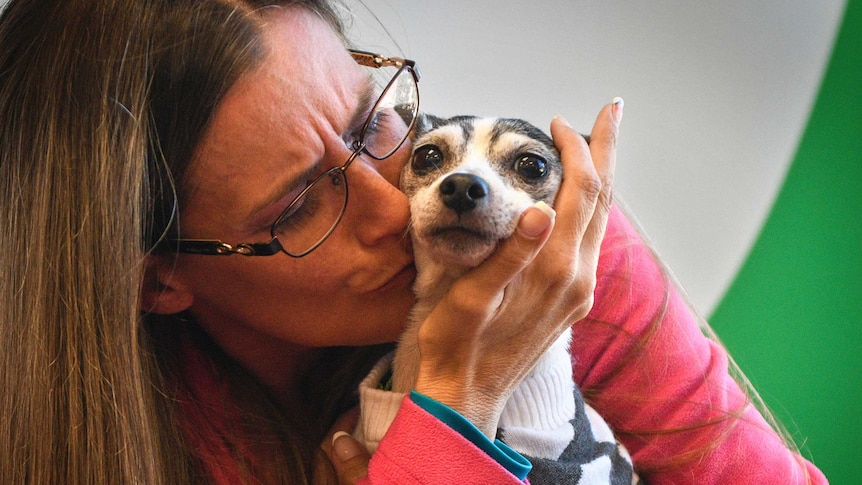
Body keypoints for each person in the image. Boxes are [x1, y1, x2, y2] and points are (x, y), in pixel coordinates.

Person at [0, 0, 827, 484]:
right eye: (295, 206)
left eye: (377, 123)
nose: (396, 207)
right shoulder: (85, 433)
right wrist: (457, 399)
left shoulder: (545, 241)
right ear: (157, 281)